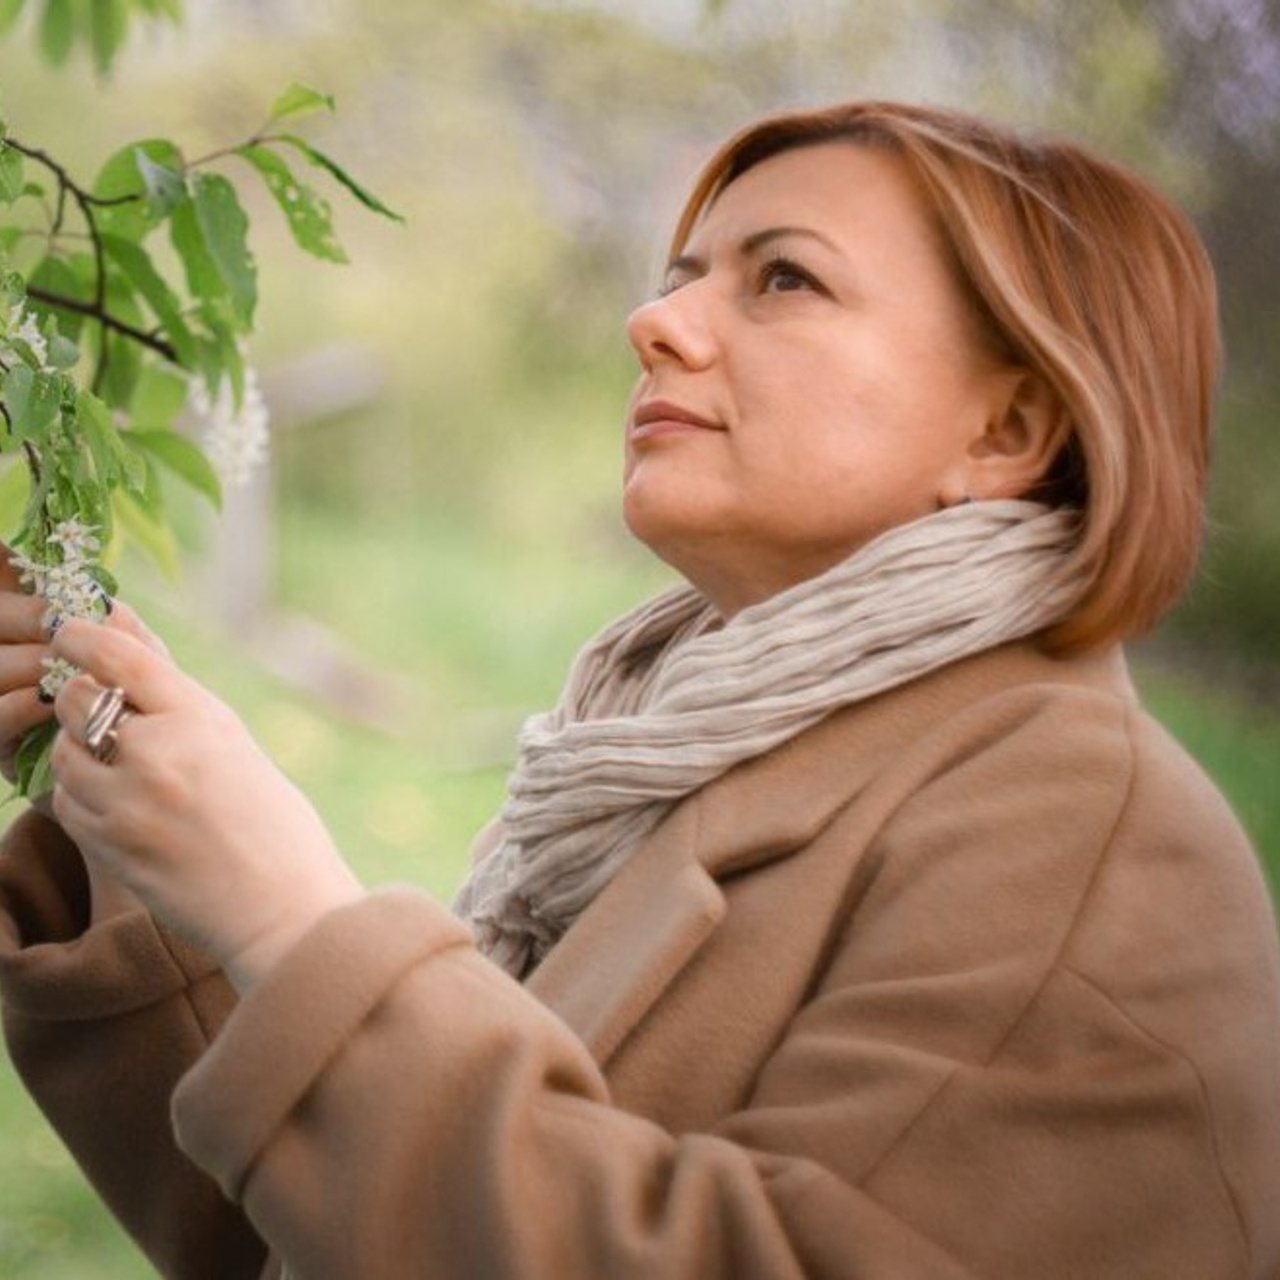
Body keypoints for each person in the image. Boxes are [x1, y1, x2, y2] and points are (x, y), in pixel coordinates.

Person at [1, 98, 1278, 1280]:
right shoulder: (657, 763)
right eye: (679, 279)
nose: (651, 323)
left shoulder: (1080, 835)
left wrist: (294, 922)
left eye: (784, 278)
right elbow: (355, 1229)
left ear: (1006, 430)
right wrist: (142, 844)